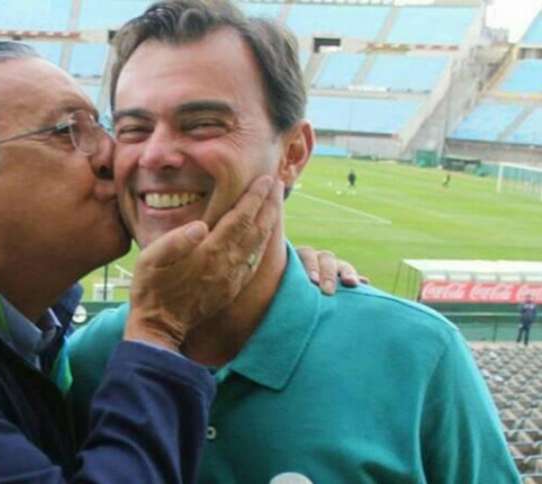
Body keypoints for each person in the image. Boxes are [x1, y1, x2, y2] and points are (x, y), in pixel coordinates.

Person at [0, 41, 349, 483]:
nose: (115, 156)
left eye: (103, 125)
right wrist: (158, 330)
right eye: (69, 131)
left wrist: (268, 269)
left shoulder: (3, 321)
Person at [68, 2, 519, 483]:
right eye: (134, 128)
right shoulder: (87, 363)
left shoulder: (418, 355)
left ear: (294, 153)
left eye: (202, 123)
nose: (155, 154)